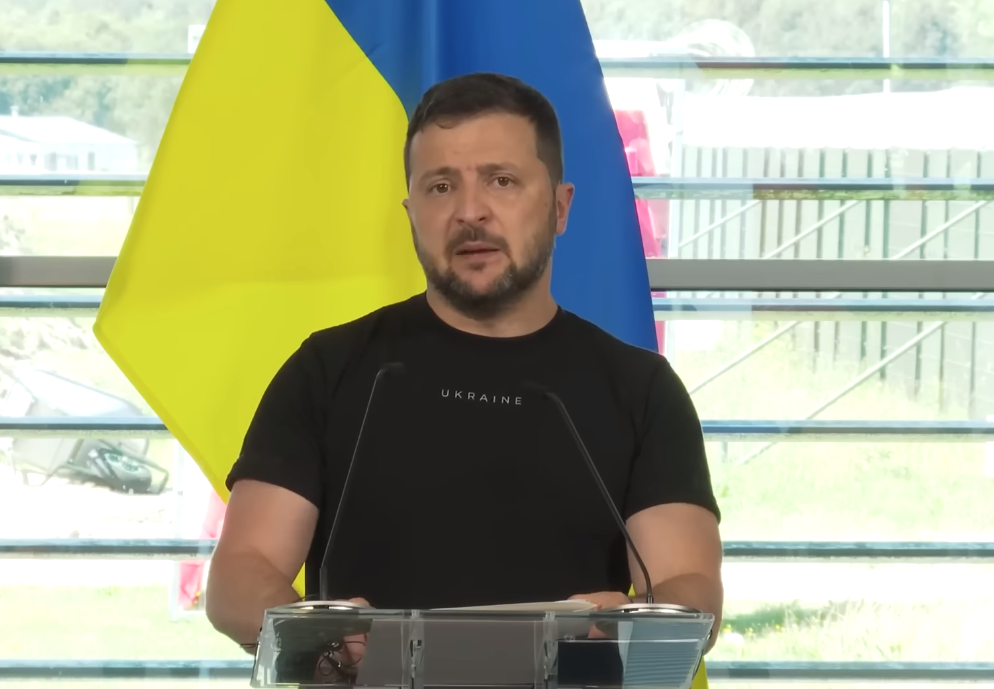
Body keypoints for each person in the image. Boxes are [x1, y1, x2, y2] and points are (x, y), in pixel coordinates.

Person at [205, 72, 723, 656]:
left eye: (501, 181)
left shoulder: (641, 389)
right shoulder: (327, 370)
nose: (470, 212)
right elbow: (240, 574)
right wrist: (315, 638)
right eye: (440, 187)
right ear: (411, 213)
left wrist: (632, 625)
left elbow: (690, 583)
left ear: (559, 207)